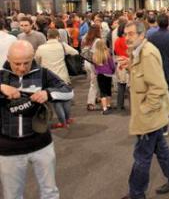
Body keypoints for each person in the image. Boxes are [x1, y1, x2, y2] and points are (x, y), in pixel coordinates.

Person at [0, 40, 74, 199]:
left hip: (41, 144)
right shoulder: (1, 76)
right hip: (8, 148)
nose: (22, 68)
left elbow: (68, 92)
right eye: (17, 63)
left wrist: (48, 93)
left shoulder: (43, 73)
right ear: (8, 58)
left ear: (33, 57)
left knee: (50, 192)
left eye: (26, 62)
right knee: (12, 195)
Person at [120, 21, 169, 199]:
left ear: (142, 35)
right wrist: (130, 65)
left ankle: (136, 193)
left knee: (142, 156)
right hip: (152, 115)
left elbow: (158, 87)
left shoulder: (147, 54)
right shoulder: (139, 52)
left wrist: (145, 109)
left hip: (149, 116)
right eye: (126, 34)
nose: (127, 38)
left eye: (131, 34)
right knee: (161, 151)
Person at [35, 29, 79, 128]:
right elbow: (75, 52)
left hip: (49, 78)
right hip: (63, 76)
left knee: (56, 101)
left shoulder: (41, 48)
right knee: (66, 99)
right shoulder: (62, 45)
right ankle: (67, 119)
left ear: (47, 36)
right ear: (58, 36)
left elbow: (36, 60)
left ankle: (62, 122)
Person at [81, 25, 101, 111]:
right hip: (94, 63)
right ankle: (90, 103)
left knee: (93, 81)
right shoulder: (98, 41)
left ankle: (96, 97)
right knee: (94, 83)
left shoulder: (85, 38)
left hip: (86, 62)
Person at [92, 40, 115, 115]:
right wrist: (113, 70)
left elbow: (95, 66)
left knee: (102, 91)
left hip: (100, 75)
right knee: (108, 90)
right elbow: (111, 64)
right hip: (108, 74)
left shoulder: (95, 55)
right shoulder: (107, 53)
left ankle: (104, 108)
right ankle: (108, 105)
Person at [114, 22, 129, 111]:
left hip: (120, 63)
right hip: (127, 62)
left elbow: (116, 52)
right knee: (131, 86)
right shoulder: (127, 40)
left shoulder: (117, 40)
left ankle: (119, 105)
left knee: (121, 85)